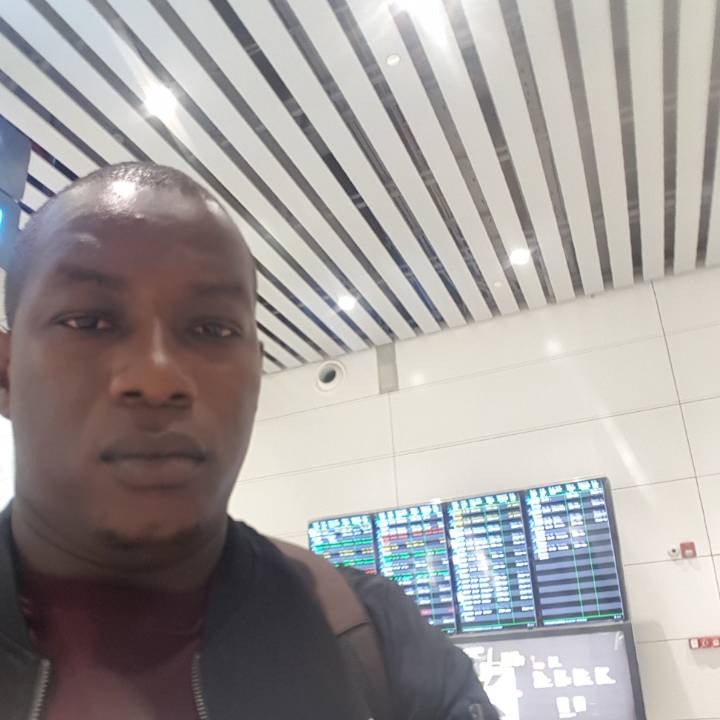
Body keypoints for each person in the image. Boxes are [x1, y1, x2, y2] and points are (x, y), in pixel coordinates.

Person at [0, 162, 499, 720]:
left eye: (212, 329)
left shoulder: (368, 634)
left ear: (255, 375)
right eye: (89, 322)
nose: (157, 378)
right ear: (6, 373)